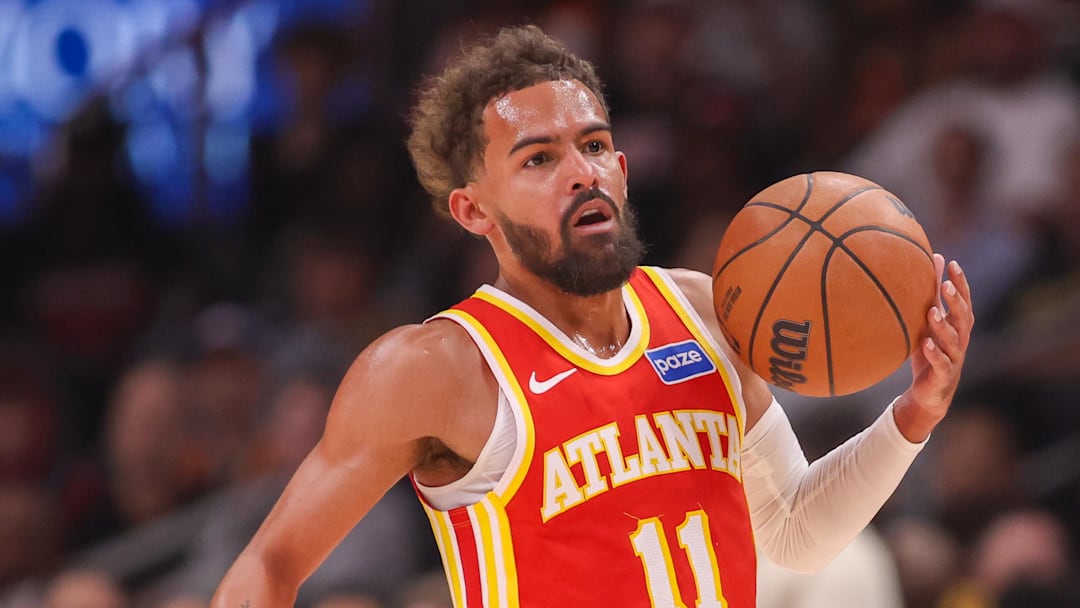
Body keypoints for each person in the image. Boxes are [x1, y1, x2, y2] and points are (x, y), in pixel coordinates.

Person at [212, 25, 973, 607]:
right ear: (473, 210)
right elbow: (267, 567)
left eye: (596, 145)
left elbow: (794, 532)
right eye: (538, 159)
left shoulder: (704, 311)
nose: (582, 172)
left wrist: (912, 418)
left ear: (624, 168)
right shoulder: (434, 368)